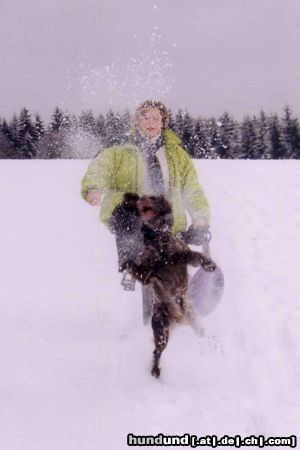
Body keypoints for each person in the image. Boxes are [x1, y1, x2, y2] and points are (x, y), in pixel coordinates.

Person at [81, 100, 210, 290]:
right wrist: (94, 187)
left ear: (163, 123)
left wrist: (200, 218)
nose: (151, 122)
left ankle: (175, 299)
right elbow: (100, 168)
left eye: (156, 118)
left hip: (166, 215)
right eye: (145, 117)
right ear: (137, 121)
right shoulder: (120, 149)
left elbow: (192, 188)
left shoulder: (177, 155)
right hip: (126, 210)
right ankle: (131, 266)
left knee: (167, 259)